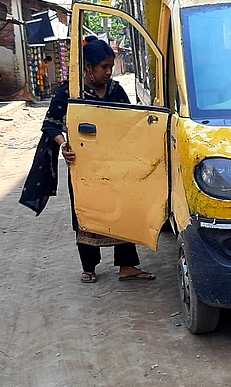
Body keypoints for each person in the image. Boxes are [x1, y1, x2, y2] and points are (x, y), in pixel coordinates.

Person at [19, 38, 155, 284]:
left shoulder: (115, 91)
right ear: (89, 67)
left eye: (110, 66)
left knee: (122, 211)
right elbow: (50, 124)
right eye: (104, 67)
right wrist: (64, 145)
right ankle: (89, 267)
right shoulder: (70, 92)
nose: (109, 72)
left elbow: (131, 121)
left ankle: (127, 266)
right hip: (84, 165)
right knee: (87, 212)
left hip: (116, 164)